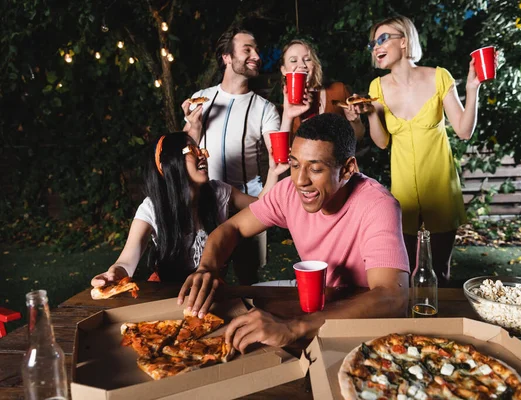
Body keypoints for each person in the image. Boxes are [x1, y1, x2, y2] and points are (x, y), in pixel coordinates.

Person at [177, 114, 410, 353]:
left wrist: (293, 328)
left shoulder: (378, 205)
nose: (300, 180)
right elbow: (231, 227)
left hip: (364, 332)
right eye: (295, 164)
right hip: (318, 309)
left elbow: (393, 298)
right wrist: (207, 267)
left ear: (348, 169)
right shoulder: (287, 191)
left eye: (316, 168)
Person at [360, 16, 481, 282]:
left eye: (383, 39)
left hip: (440, 189)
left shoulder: (439, 77)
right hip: (403, 195)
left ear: (404, 41)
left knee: (440, 272)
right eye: (373, 43)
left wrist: (473, 89)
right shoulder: (376, 87)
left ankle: (444, 323)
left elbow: (463, 130)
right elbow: (381, 142)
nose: (375, 47)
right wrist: (369, 114)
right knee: (406, 274)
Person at [90, 132, 288, 286]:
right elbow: (126, 261)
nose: (202, 156)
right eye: (191, 151)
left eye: (200, 150)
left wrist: (273, 171)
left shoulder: (219, 191)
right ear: (170, 163)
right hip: (165, 293)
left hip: (209, 289)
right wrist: (113, 273)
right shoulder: (152, 207)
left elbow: (262, 207)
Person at [181, 26, 281, 285]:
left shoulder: (265, 109)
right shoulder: (200, 100)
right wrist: (191, 127)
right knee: (204, 273)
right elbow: (182, 152)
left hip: (245, 204)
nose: (256, 56)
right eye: (247, 49)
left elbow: (277, 156)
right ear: (226, 57)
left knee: (247, 277)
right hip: (206, 202)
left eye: (256, 50)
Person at [278, 39, 365, 141]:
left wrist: (356, 121)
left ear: (314, 64)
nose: (302, 65)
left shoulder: (338, 91)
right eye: (293, 60)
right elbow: (282, 151)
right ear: (284, 70)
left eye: (307, 59)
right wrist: (287, 117)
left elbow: (358, 138)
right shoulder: (285, 108)